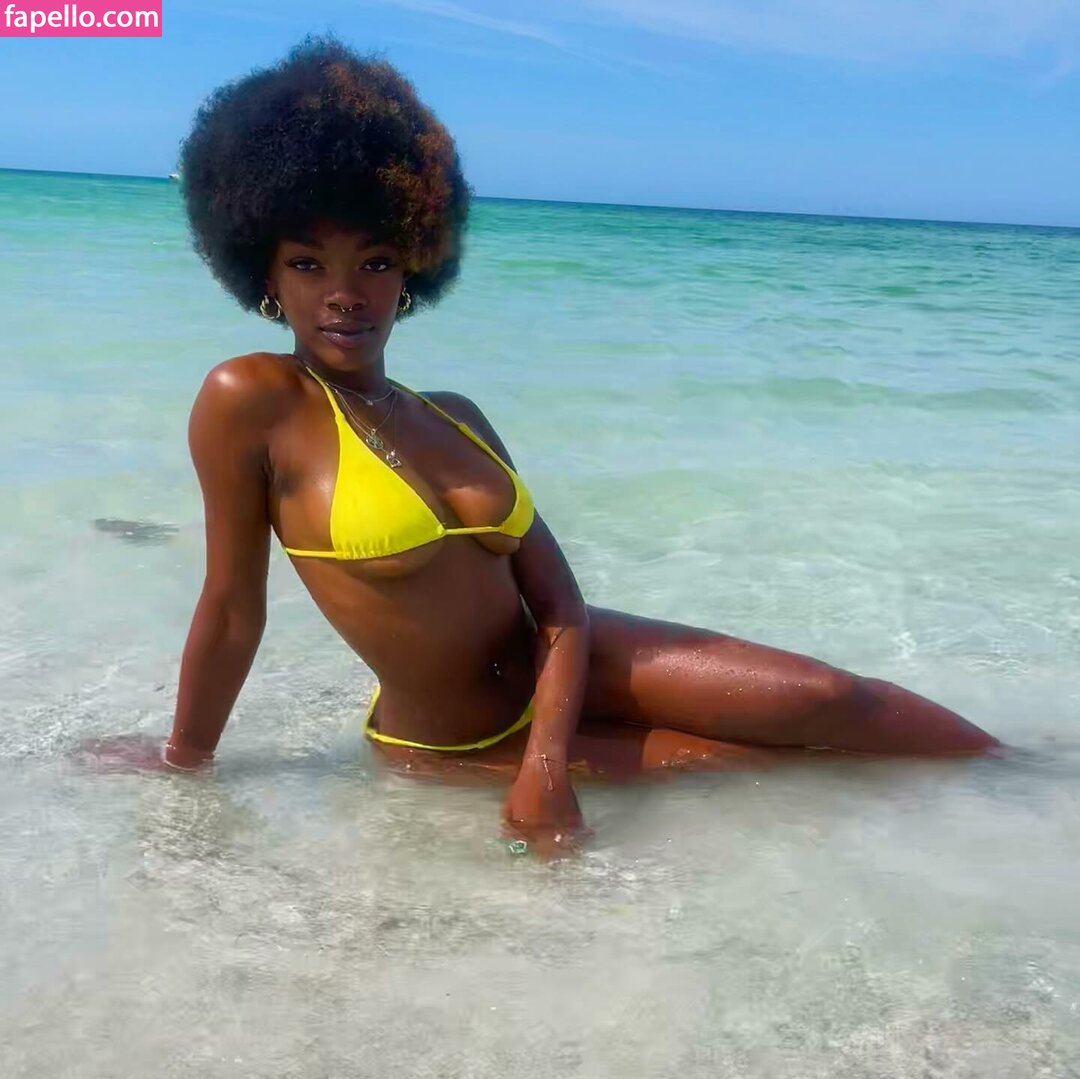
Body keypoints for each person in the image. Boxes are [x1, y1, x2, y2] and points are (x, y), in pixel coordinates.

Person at [165, 34, 997, 852]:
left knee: (833, 698)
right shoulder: (253, 400)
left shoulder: (455, 415)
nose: (345, 293)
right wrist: (181, 763)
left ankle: (1032, 775)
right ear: (264, 275)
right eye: (308, 264)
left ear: (414, 265)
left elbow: (558, 603)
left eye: (375, 262)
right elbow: (234, 609)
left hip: (569, 663)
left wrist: (549, 758)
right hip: (455, 738)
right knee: (775, 773)